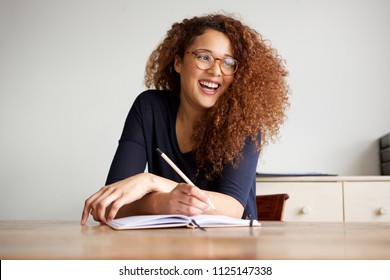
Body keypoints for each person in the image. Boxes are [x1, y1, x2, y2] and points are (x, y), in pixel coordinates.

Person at [81, 13, 289, 225]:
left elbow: (233, 208)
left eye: (228, 62)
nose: (216, 70)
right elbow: (109, 204)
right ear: (178, 62)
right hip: (169, 249)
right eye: (204, 57)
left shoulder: (244, 120)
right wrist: (162, 203)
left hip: (232, 248)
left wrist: (150, 182)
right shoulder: (149, 107)